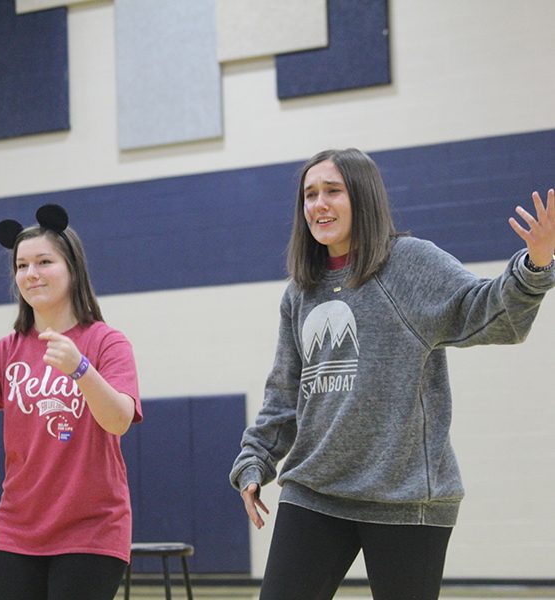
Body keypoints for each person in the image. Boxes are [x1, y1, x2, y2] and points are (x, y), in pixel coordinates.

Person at [228, 148, 555, 600]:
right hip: (315, 489)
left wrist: (535, 265)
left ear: (362, 198)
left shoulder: (410, 263)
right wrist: (255, 459)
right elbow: (285, 392)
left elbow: (490, 314)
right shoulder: (300, 291)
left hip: (405, 499)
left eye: (332, 192)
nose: (318, 205)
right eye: (309, 195)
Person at [0, 203, 141, 600]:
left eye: (44, 261)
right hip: (17, 530)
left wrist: (81, 370)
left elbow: (119, 420)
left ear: (72, 268)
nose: (31, 274)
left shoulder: (107, 342)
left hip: (91, 530)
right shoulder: (6, 351)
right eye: (21, 266)